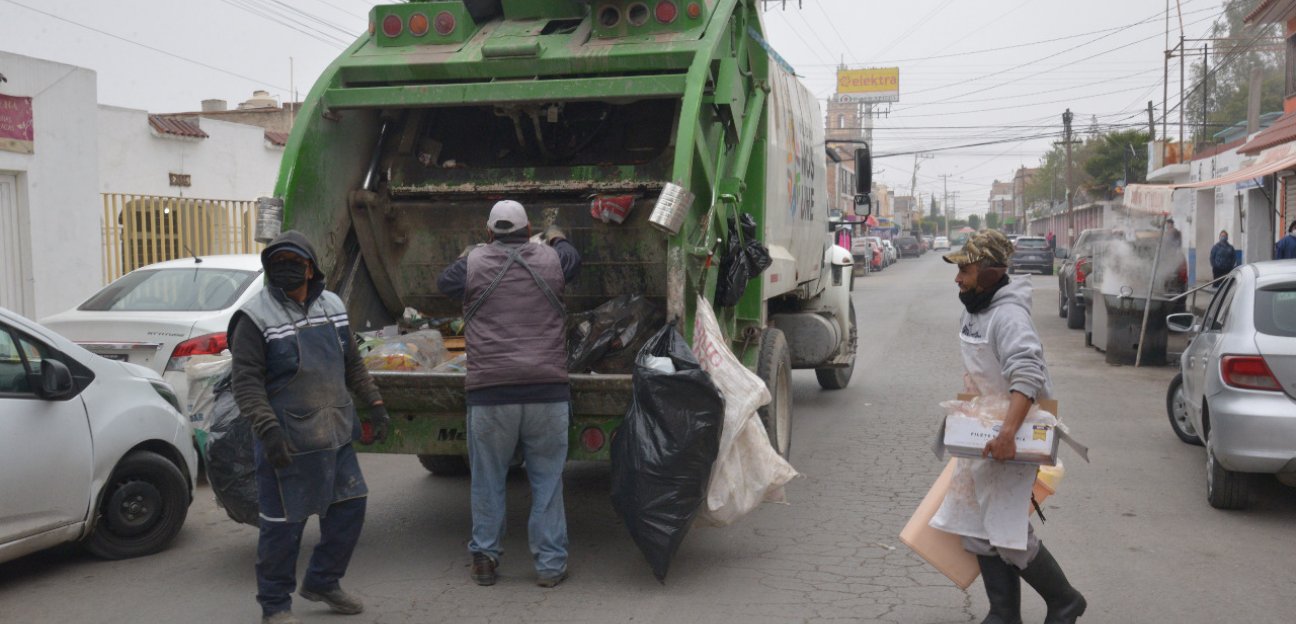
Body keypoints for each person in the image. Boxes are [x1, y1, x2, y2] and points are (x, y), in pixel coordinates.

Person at [229, 231, 390, 624]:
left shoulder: (333, 305)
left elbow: (351, 362)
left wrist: (375, 403)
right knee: (283, 528)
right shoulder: (254, 317)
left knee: (350, 508)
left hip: (334, 432)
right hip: (285, 441)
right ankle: (275, 606)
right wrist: (267, 431)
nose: (284, 268)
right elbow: (246, 383)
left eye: (292, 261)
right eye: (276, 262)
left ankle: (323, 581)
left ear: (311, 267)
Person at [933, 229, 1087, 624]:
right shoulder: (975, 308)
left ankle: (1066, 601)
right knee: (976, 526)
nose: (958, 278)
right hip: (984, 430)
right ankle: (1004, 613)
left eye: (965, 270)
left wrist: (1005, 436)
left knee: (1005, 529)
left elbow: (1027, 377)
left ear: (990, 271)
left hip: (1014, 432)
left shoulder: (1009, 315)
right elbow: (981, 372)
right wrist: (966, 414)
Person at [437, 200, 581, 588]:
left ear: (488, 233)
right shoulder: (553, 260)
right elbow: (572, 256)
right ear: (528, 228)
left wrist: (473, 252)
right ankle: (550, 567)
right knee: (548, 482)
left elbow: (444, 281)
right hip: (547, 394)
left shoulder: (473, 265)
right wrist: (556, 235)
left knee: (488, 480)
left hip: (491, 395)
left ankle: (485, 560)